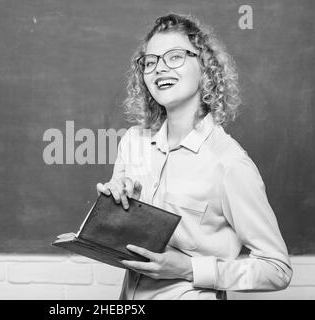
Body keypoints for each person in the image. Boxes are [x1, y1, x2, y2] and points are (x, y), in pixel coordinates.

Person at [96, 13, 292, 300]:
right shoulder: (132, 142)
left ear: (205, 67)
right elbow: (124, 240)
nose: (159, 69)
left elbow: (277, 270)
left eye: (174, 57)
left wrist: (190, 269)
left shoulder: (229, 163)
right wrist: (115, 204)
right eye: (150, 62)